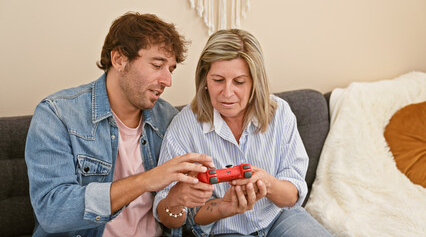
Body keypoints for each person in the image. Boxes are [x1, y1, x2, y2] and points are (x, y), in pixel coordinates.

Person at [25, 12, 214, 237]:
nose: (167, 81)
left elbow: (184, 218)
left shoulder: (169, 120)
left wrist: (184, 200)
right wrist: (146, 180)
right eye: (157, 65)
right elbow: (52, 211)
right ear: (119, 59)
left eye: (171, 69)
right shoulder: (57, 115)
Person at [153, 29, 333, 236]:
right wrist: (218, 206)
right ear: (204, 79)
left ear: (255, 83)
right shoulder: (184, 126)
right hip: (226, 230)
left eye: (239, 82)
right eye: (218, 80)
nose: (227, 93)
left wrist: (268, 183)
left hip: (280, 218)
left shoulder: (280, 113)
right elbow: (169, 216)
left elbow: (292, 196)